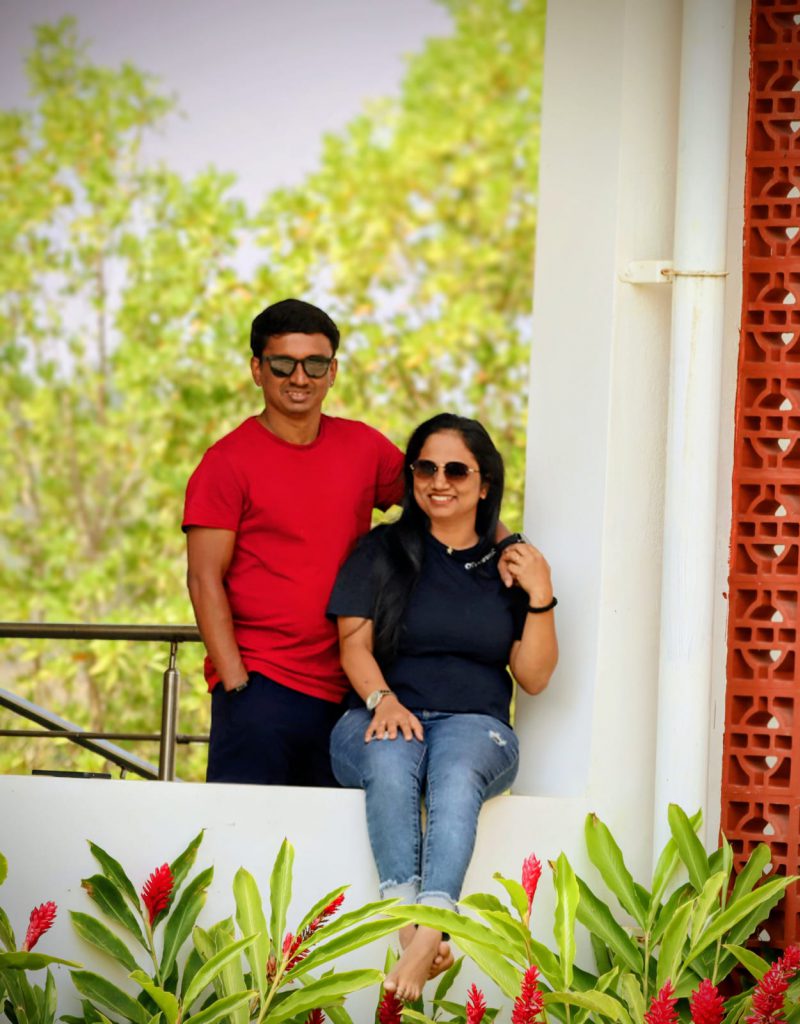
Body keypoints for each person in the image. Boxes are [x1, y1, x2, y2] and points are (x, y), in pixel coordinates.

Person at [327, 413, 558, 1001]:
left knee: (455, 772)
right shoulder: (380, 551)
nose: (439, 481)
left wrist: (541, 592)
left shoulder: (507, 568)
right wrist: (382, 700)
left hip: (476, 727)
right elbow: (353, 646)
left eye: (457, 470)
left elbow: (533, 677)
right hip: (378, 713)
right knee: (391, 755)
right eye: (426, 467)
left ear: (484, 484)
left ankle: (422, 936)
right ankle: (421, 937)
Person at [182, 298, 405, 786]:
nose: (299, 378)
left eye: (315, 364)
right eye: (283, 364)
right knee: (243, 829)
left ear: (333, 372)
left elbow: (441, 499)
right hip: (262, 687)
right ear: (257, 370)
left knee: (334, 833)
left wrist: (505, 547)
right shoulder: (226, 462)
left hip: (351, 692)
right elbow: (203, 579)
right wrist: (237, 684)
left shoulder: (364, 447)